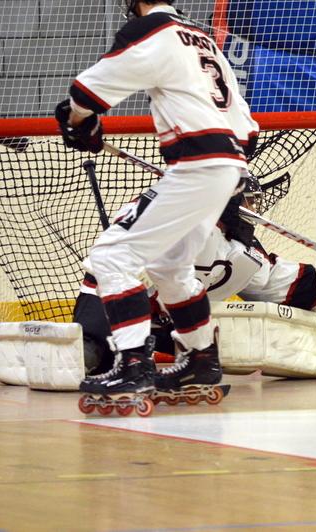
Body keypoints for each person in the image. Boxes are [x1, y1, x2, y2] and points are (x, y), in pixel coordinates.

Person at [55, 0, 259, 414]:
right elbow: (246, 130)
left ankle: (134, 365)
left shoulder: (151, 29)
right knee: (169, 266)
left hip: (198, 164)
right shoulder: (203, 39)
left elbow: (87, 92)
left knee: (111, 255)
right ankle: (200, 360)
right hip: (224, 163)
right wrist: (228, 172)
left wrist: (78, 121)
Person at [75, 177, 316, 380]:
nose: (255, 210)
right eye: (248, 202)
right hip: (117, 314)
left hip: (179, 331)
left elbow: (288, 287)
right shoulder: (175, 224)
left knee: (253, 335)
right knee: (93, 355)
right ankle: (104, 351)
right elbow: (108, 271)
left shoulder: (244, 253)